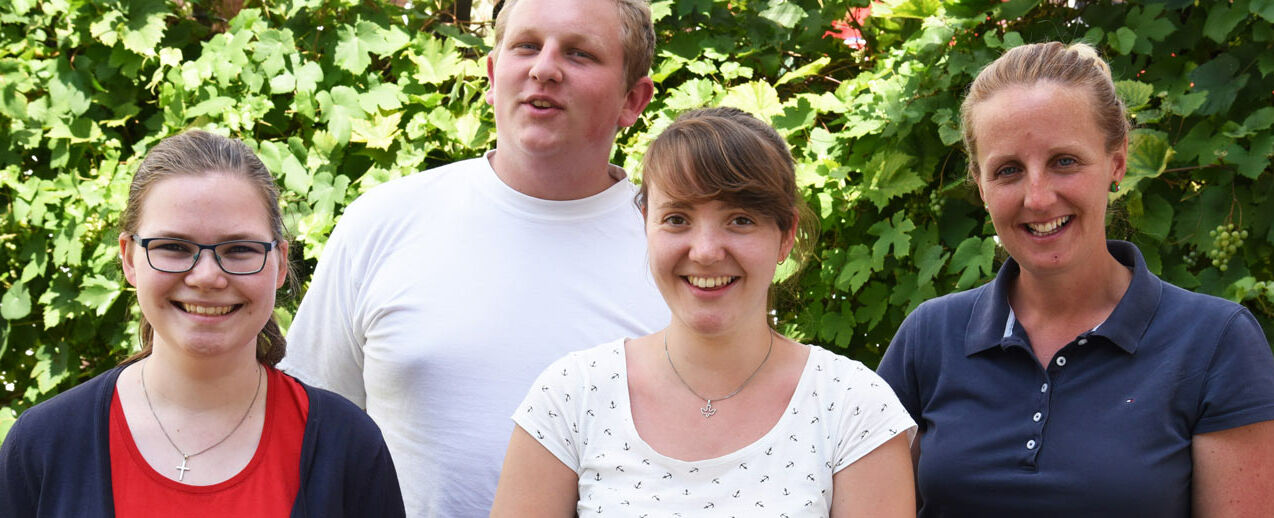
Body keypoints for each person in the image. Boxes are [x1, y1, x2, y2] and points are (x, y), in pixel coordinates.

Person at [277, 0, 668, 515]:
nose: (543, 68)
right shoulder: (383, 222)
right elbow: (305, 431)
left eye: (579, 54)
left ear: (632, 99)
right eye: (526, 45)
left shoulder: (675, 254)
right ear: (491, 75)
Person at [877, 41, 1274, 516]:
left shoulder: (1215, 342)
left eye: (1064, 161)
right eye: (1008, 171)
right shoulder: (930, 337)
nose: (1038, 198)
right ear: (981, 187)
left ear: (1117, 163)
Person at [491, 107, 917, 517]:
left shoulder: (852, 407)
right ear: (645, 224)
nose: (707, 252)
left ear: (785, 234)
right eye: (677, 218)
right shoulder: (571, 396)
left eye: (740, 220)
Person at [0, 130, 404, 517]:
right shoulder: (44, 444)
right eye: (174, 247)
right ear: (128, 258)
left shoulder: (347, 445)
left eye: (240, 249)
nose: (207, 276)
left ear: (280, 263)